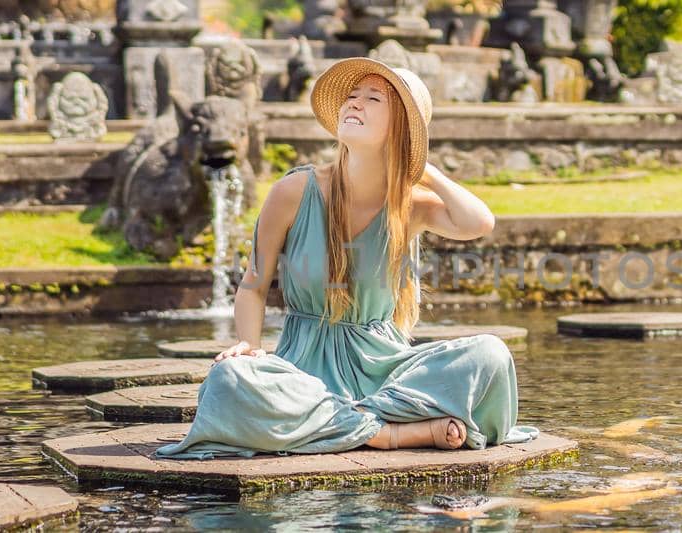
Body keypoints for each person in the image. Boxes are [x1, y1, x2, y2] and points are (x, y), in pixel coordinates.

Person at [155, 57, 539, 459]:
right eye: (351, 96)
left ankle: (331, 425)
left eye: (373, 98)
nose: (353, 103)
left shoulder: (410, 206)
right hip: (301, 374)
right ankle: (390, 433)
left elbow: (479, 222)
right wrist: (249, 345)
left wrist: (425, 171)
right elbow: (252, 285)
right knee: (229, 380)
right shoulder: (294, 191)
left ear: (401, 129)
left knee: (490, 355)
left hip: (387, 369)